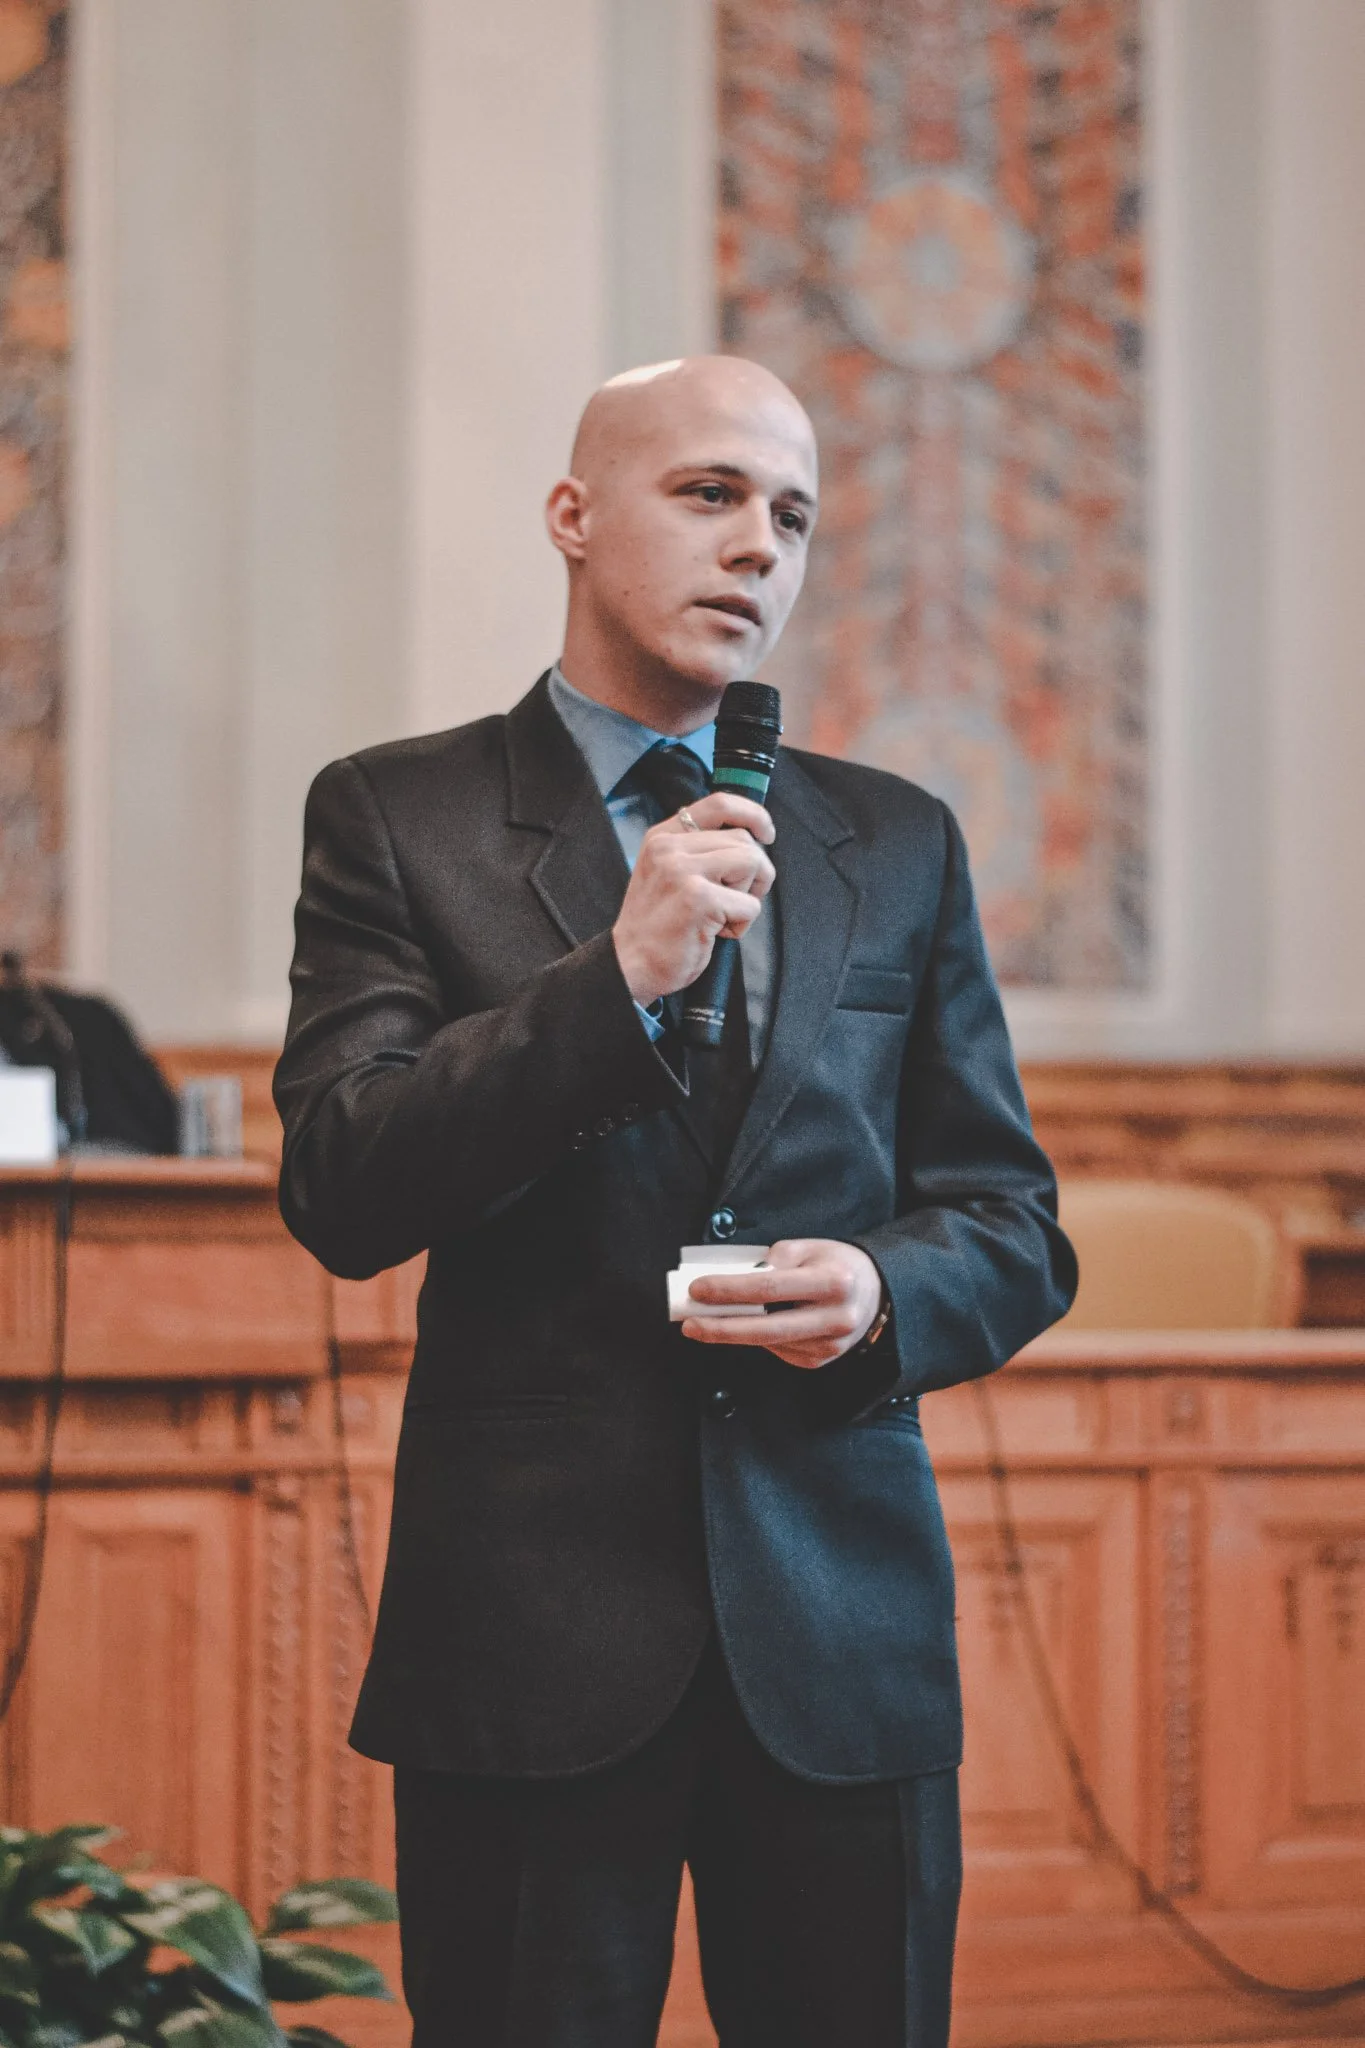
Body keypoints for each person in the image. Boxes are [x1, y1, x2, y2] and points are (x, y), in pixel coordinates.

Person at [274, 355, 1076, 2048]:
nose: (758, 550)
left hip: (841, 1630)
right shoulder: (397, 815)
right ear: (574, 517)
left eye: (791, 516)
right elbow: (345, 1183)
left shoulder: (897, 840)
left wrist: (879, 1294)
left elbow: (1010, 1218)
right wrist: (613, 981)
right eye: (708, 495)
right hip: (530, 1636)